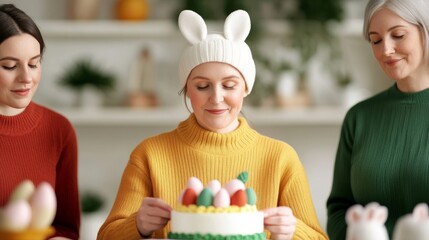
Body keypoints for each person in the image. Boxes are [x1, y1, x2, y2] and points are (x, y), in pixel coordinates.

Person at [97, 9, 327, 240]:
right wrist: (137, 225)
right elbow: (106, 236)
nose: (216, 98)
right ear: (187, 90)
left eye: (229, 85)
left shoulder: (281, 158)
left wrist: (292, 230)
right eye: (202, 86)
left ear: (246, 88)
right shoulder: (149, 154)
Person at [327, 0, 429, 239]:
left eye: (398, 35)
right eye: (376, 40)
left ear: (425, 30)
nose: (386, 50)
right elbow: (338, 208)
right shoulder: (359, 118)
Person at [0, 4, 80, 239]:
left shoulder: (58, 130)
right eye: (9, 66)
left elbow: (67, 228)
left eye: (34, 64)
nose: (26, 78)